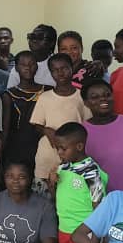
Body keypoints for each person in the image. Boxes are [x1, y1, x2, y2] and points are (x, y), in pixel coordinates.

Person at [53, 122, 107, 243]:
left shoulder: (91, 171)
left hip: (83, 232)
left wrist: (94, 241)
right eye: (57, 148)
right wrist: (51, 182)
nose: (59, 152)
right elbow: (57, 196)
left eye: (63, 148)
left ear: (79, 146)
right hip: (64, 228)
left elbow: (99, 208)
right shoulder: (63, 167)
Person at [28, 53, 90, 195]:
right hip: (47, 157)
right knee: (44, 200)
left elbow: (87, 126)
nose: (60, 73)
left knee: (70, 197)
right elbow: (36, 124)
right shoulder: (45, 97)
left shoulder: (81, 96)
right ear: (51, 73)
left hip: (74, 157)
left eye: (64, 68)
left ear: (72, 68)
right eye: (55, 70)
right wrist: (46, 131)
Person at [1, 50, 47, 174]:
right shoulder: (9, 95)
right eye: (23, 64)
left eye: (31, 64)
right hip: (16, 147)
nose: (28, 68)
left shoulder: (47, 91)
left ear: (37, 66)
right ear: (16, 68)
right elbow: (5, 128)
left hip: (42, 144)